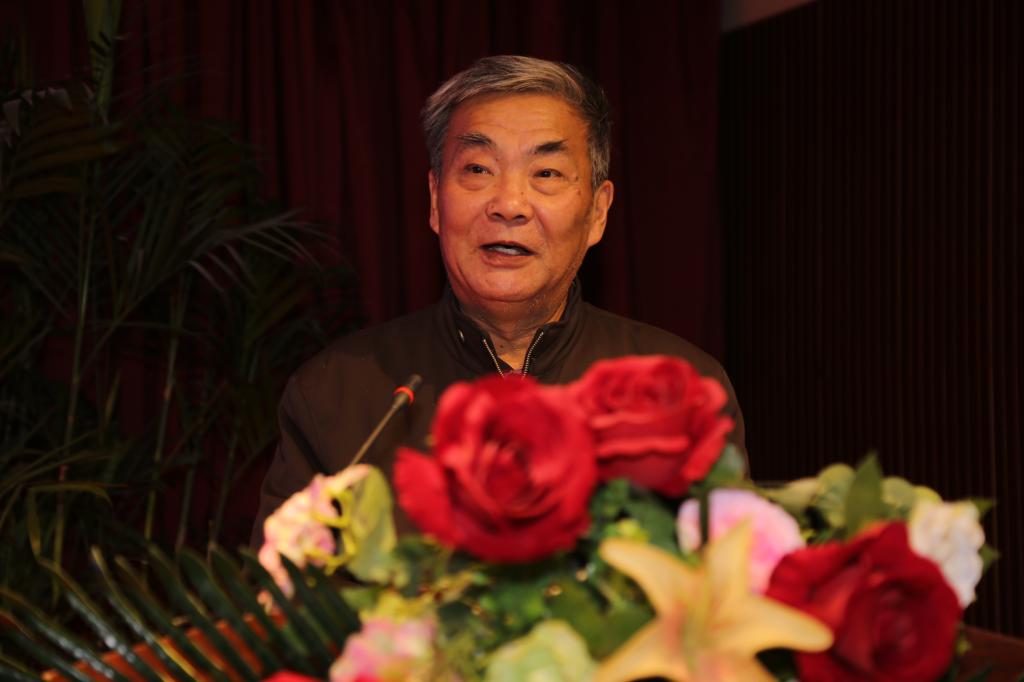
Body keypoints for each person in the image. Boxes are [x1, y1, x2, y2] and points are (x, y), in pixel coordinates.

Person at [251, 55, 744, 546]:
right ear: (435, 200)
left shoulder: (684, 390)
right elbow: (282, 591)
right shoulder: (335, 394)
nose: (509, 204)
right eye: (478, 169)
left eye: (546, 173)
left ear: (598, 212)